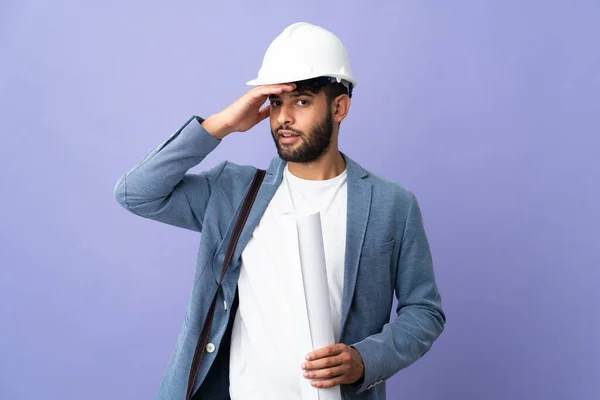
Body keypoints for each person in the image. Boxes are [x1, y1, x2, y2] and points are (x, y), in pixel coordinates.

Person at [114, 21, 445, 400]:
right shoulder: (235, 192)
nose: (283, 118)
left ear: (339, 107)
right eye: (275, 103)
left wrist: (363, 359)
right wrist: (219, 125)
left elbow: (425, 311)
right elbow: (135, 193)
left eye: (301, 101)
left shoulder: (392, 205)